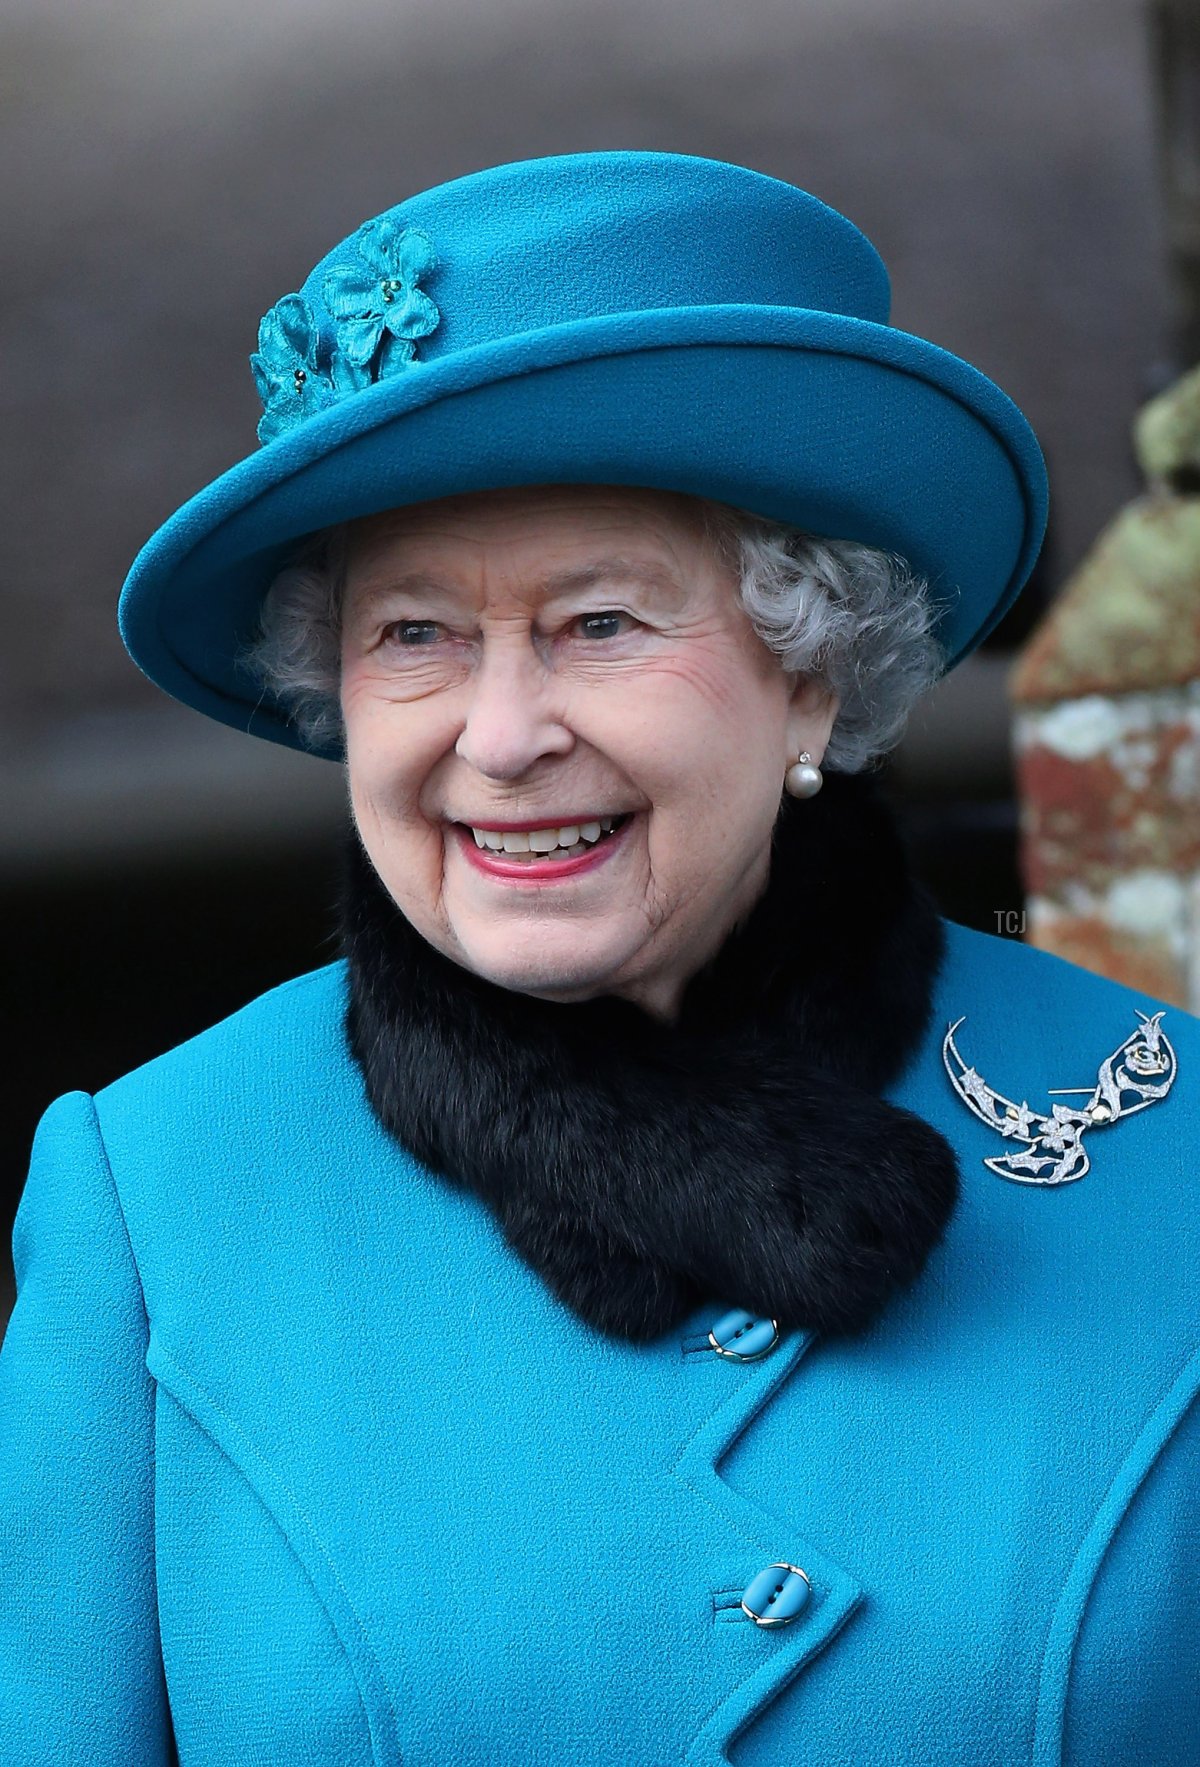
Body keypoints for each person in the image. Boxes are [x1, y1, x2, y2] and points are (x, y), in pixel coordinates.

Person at [0, 150, 1195, 1767]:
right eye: (413, 634)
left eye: (602, 624)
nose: (500, 738)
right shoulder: (151, 1193)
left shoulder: (1177, 1150)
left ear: (817, 676)